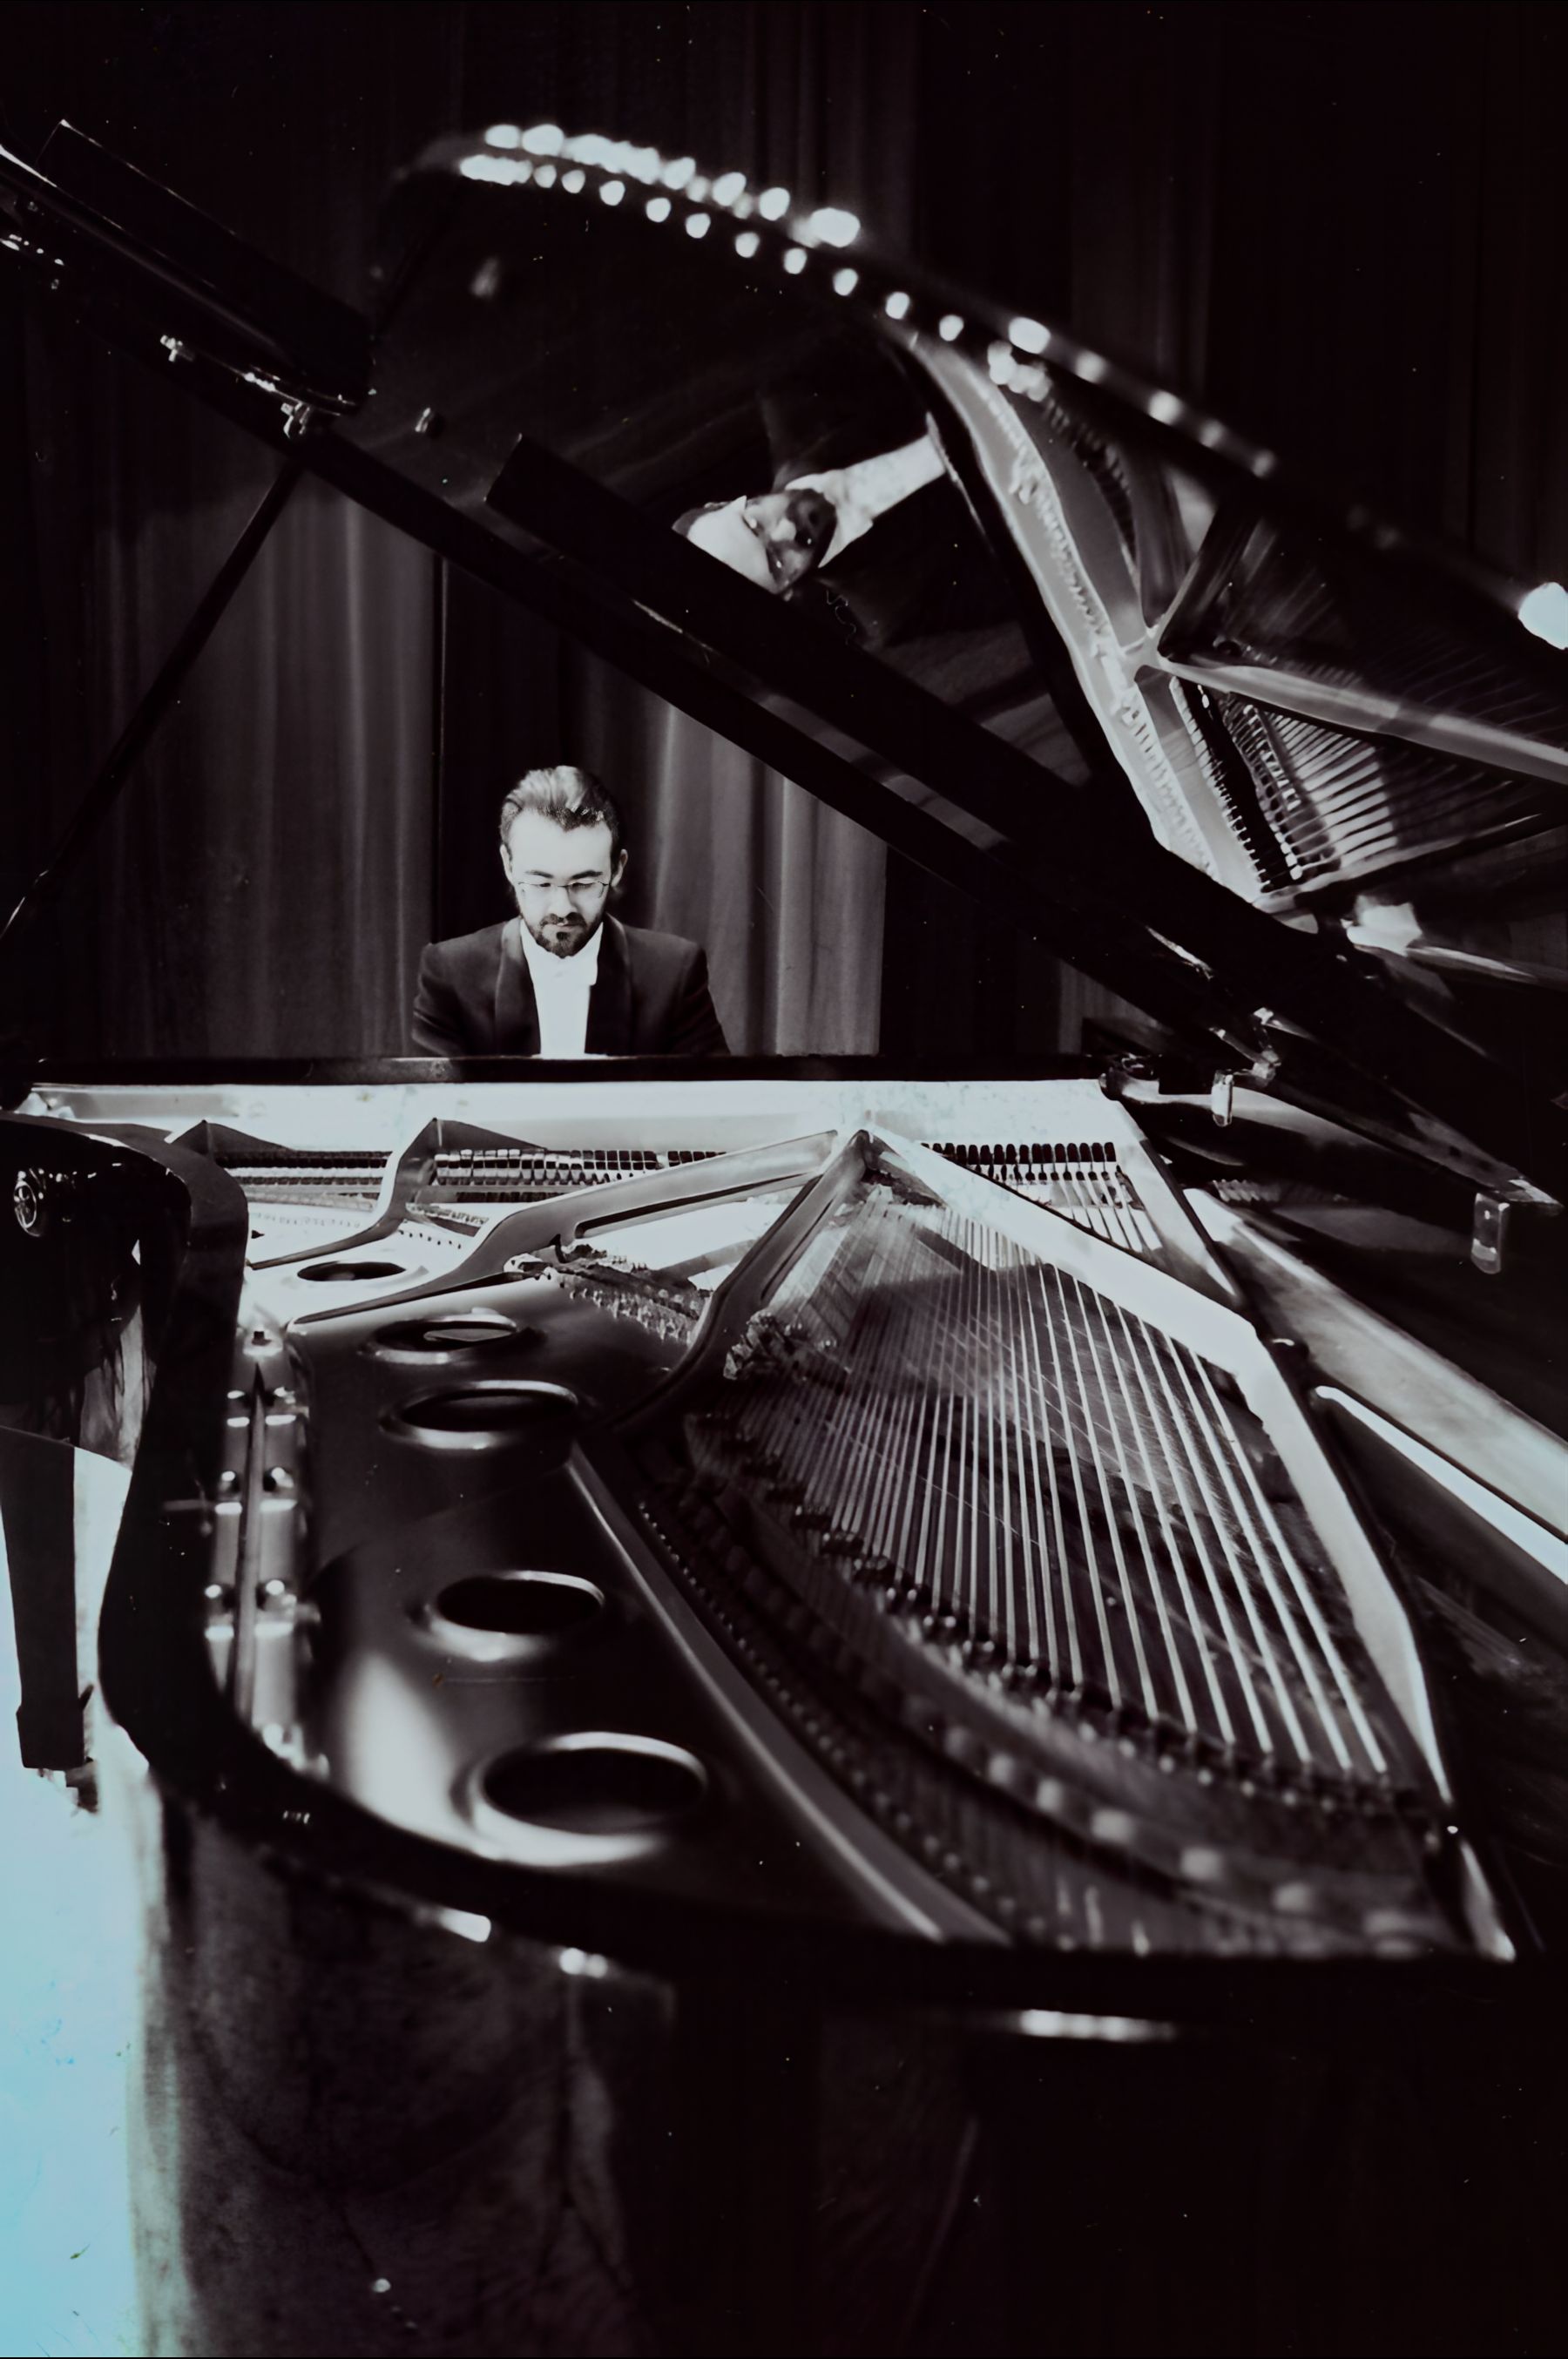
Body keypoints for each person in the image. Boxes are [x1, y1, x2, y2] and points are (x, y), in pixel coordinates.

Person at [411, 767, 728, 1058]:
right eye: (540, 882)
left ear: (617, 869)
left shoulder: (676, 972)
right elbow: (435, 1111)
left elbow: (711, 1108)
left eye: (584, 883)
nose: (562, 908)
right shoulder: (449, 973)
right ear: (509, 866)